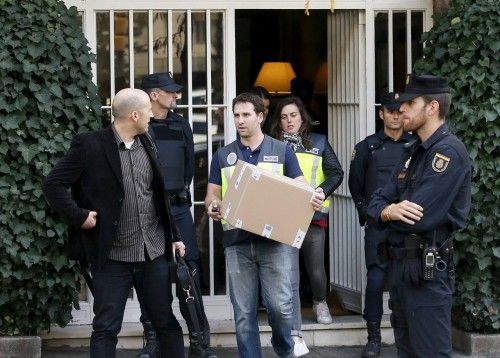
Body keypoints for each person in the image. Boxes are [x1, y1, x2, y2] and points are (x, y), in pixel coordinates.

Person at [42, 88, 186, 358]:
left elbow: (157, 194)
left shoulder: (148, 139)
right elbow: (53, 184)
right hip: (112, 255)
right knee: (106, 327)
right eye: (147, 110)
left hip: (152, 250)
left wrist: (174, 235)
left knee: (166, 322)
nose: (152, 115)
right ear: (134, 115)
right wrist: (80, 216)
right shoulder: (90, 145)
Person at [204, 92, 325, 358]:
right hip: (237, 244)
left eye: (246, 115)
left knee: (281, 309)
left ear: (260, 116)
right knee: (244, 314)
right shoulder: (223, 155)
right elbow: (212, 194)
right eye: (236, 115)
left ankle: (284, 348)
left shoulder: (282, 151)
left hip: (276, 244)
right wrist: (213, 206)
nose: (240, 120)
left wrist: (312, 195)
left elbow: (301, 186)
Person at [366, 74, 471, 357]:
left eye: (411, 103)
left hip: (426, 273)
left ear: (432, 107)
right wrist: (388, 210)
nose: (402, 109)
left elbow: (417, 216)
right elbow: (375, 202)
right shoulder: (413, 151)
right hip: (401, 269)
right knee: (407, 352)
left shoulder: (448, 153)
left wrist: (387, 212)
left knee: (431, 353)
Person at [140, 73, 216, 358]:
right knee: (151, 275)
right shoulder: (138, 125)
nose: (176, 96)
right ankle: (153, 342)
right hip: (147, 210)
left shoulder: (181, 124)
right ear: (154, 95)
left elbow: (188, 170)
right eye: (170, 92)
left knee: (190, 274)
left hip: (179, 208)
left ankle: (199, 343)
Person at [270, 96, 344, 356]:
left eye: (293, 115)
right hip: (283, 216)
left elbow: (337, 171)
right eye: (284, 117)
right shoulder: (272, 145)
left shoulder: (320, 142)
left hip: (313, 215)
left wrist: (322, 192)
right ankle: (290, 318)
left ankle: (320, 302)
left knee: (314, 267)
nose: (289, 121)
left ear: (302, 117)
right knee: (286, 271)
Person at [348, 92, 417, 357]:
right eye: (391, 111)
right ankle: (374, 338)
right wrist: (367, 214)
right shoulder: (367, 146)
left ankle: (407, 336)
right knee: (376, 280)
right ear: (382, 114)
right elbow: (356, 185)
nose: (396, 115)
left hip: (409, 224)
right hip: (379, 225)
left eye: (400, 110)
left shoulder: (416, 145)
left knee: (408, 280)